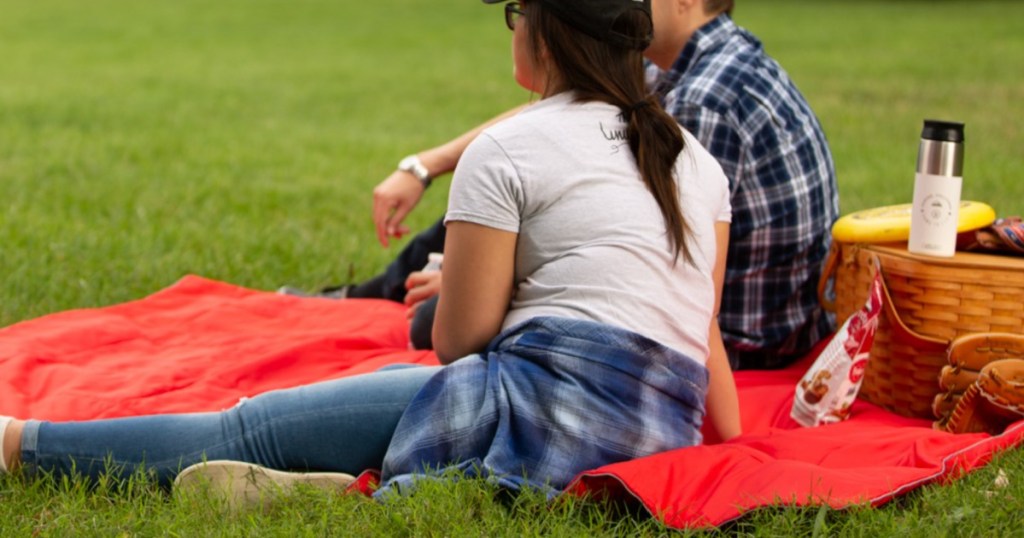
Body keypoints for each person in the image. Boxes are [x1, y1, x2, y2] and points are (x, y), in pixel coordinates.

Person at [0, 0, 740, 502]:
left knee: (248, 424)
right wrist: (734, 449)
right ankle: (349, 475)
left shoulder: (511, 146)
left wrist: (470, 285)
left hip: (543, 418)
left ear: (542, 33)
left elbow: (459, 341)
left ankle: (16, 445)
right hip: (655, 437)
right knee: (380, 398)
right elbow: (700, 331)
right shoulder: (695, 161)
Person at [287, 0, 839, 370]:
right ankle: (365, 294)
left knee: (438, 316)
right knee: (494, 206)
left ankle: (376, 295)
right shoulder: (705, 61)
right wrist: (428, 165)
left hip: (738, 336)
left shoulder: (702, 100)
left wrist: (485, 282)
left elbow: (651, 248)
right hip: (752, 316)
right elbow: (570, 115)